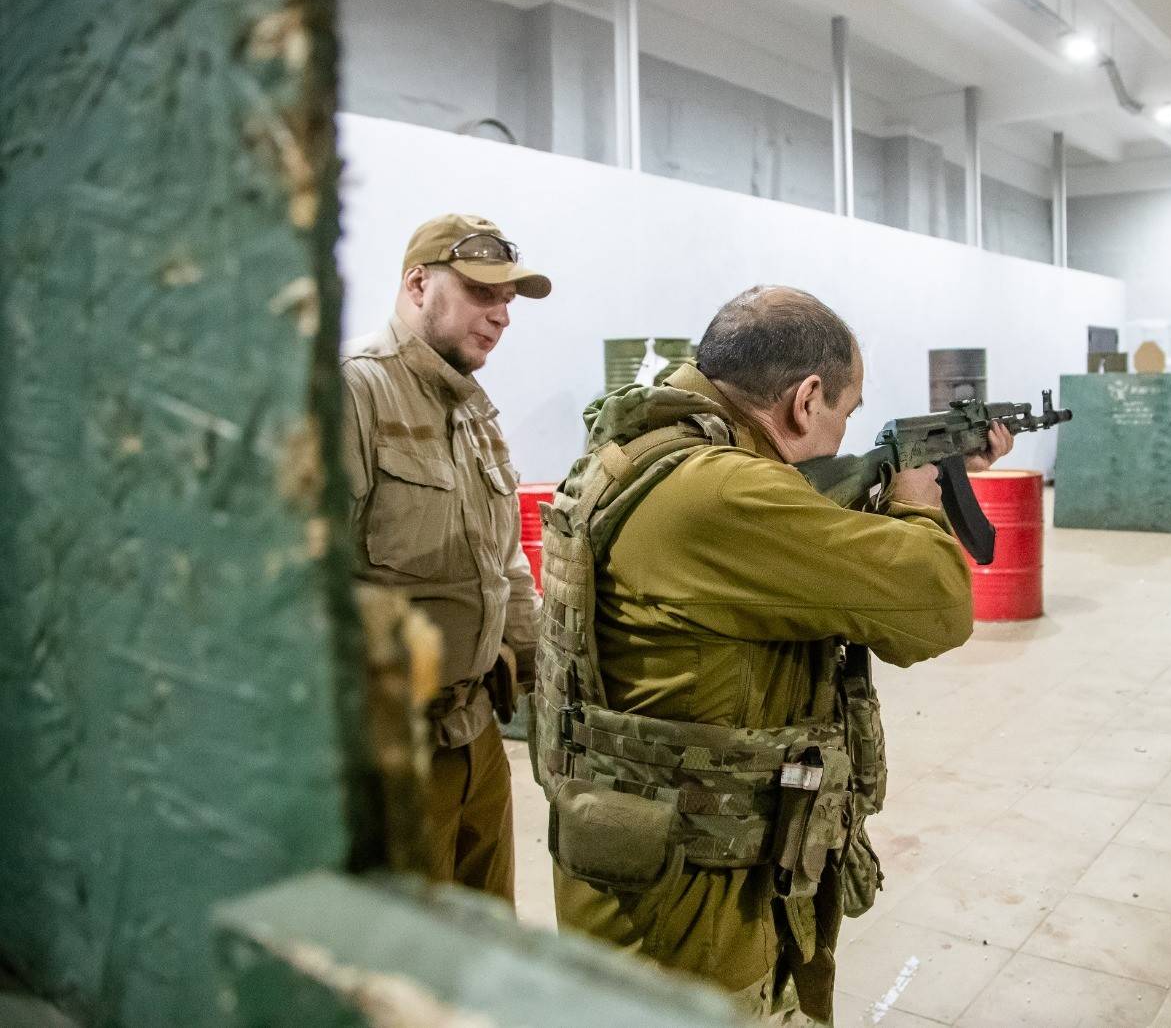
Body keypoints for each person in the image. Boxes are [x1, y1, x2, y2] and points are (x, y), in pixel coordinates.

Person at [532, 286, 1012, 1022]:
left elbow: (793, 525)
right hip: (694, 906)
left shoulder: (648, 449)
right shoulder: (718, 491)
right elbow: (937, 608)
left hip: (657, 864)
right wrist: (917, 499)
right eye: (844, 414)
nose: (841, 437)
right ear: (805, 399)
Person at [341, 213, 551, 903]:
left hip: (477, 734)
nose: (501, 316)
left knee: (486, 939)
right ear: (417, 284)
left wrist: (539, 671)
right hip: (390, 754)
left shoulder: (472, 411)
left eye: (507, 301)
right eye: (482, 293)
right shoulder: (354, 391)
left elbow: (506, 562)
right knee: (403, 954)